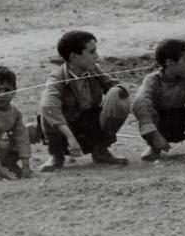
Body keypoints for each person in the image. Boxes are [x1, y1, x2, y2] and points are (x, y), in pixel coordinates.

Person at [38, 30, 131, 170]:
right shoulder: (56, 77)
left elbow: (113, 85)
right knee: (48, 109)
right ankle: (56, 155)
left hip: (89, 127)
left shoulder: (93, 69)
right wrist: (70, 137)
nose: (97, 56)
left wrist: (116, 92)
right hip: (66, 130)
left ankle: (101, 151)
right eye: (92, 52)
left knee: (117, 94)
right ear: (74, 57)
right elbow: (48, 107)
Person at [133, 38, 185, 161]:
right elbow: (140, 102)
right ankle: (154, 146)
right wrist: (153, 134)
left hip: (181, 124)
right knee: (146, 107)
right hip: (160, 124)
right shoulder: (153, 80)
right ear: (170, 63)